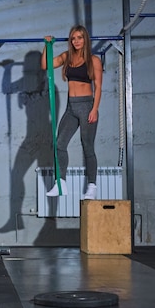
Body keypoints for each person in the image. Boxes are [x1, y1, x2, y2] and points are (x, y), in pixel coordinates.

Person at [42, 25, 103, 199]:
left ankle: (92, 186)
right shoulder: (67, 58)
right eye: (73, 38)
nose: (76, 41)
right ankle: (61, 183)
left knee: (87, 146)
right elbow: (45, 65)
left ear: (85, 39)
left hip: (86, 107)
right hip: (71, 107)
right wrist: (46, 46)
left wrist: (94, 109)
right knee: (59, 144)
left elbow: (98, 87)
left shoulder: (94, 60)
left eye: (80, 37)